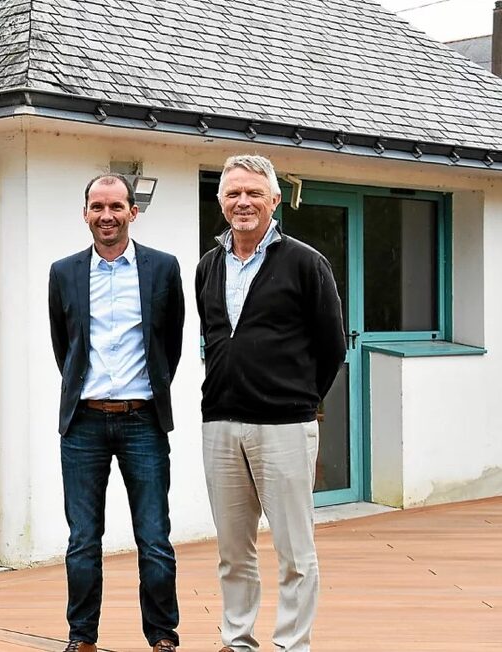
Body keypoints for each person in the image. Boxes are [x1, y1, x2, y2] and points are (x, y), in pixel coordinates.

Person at [195, 155, 346, 652]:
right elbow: (213, 338)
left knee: (295, 552)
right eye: (234, 193)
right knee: (232, 551)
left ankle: (291, 645)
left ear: (275, 201)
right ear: (221, 202)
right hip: (220, 424)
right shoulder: (208, 266)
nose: (243, 202)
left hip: (283, 424)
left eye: (254, 193)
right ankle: (237, 640)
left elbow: (331, 347)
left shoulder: (306, 262)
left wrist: (298, 399)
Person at [48, 174, 184, 652]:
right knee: (83, 539)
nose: (107, 215)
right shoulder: (63, 272)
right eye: (97, 206)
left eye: (116, 206)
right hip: (82, 422)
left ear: (133, 211)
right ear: (85, 213)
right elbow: (64, 347)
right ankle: (81, 637)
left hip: (142, 420)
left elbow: (172, 343)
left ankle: (163, 635)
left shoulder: (162, 269)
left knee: (154, 536)